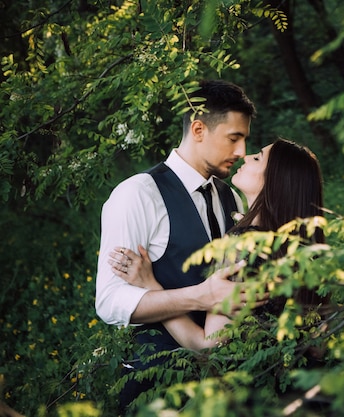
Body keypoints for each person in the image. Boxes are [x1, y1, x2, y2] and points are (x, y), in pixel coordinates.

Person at [94, 79, 257, 412]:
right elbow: (109, 302)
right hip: (155, 388)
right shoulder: (138, 193)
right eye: (233, 138)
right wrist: (200, 295)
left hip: (218, 390)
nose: (241, 152)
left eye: (244, 141)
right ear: (198, 129)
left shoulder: (232, 196)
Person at [107, 138, 327, 351]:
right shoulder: (304, 251)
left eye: (258, 159)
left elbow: (207, 345)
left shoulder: (244, 245)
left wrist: (150, 285)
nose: (246, 156)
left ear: (276, 182)